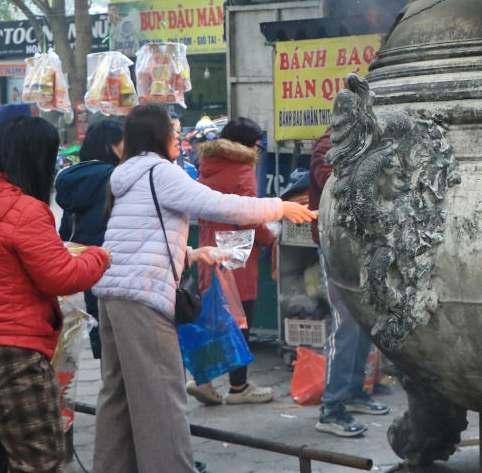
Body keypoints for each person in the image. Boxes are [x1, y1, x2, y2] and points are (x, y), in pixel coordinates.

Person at [91, 104, 315, 472]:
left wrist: (192, 252)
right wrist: (279, 208)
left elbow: (139, 238)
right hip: (144, 296)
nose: (179, 136)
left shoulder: (126, 173)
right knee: (162, 396)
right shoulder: (160, 171)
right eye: (173, 130)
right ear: (156, 136)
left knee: (116, 395)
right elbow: (220, 206)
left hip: (113, 293)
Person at [0, 116, 111, 471]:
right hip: (13, 355)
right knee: (38, 461)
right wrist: (99, 255)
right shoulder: (25, 209)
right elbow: (61, 276)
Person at [185, 117, 277, 406]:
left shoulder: (208, 166)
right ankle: (239, 387)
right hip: (235, 252)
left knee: (213, 317)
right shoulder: (242, 169)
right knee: (240, 319)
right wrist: (269, 236)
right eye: (258, 146)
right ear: (249, 145)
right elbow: (247, 214)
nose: (258, 151)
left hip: (208, 250)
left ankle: (203, 381)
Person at [310, 128, 389, 437]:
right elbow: (329, 183)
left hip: (362, 243)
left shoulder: (367, 141)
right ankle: (331, 408)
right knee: (345, 323)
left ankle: (354, 392)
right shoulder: (329, 144)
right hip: (336, 244)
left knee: (364, 319)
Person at [55, 118, 124, 360]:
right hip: (118, 266)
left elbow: (65, 230)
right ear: (112, 146)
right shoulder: (116, 178)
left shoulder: (74, 179)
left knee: (104, 341)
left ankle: (109, 391)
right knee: (122, 346)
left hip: (89, 269)